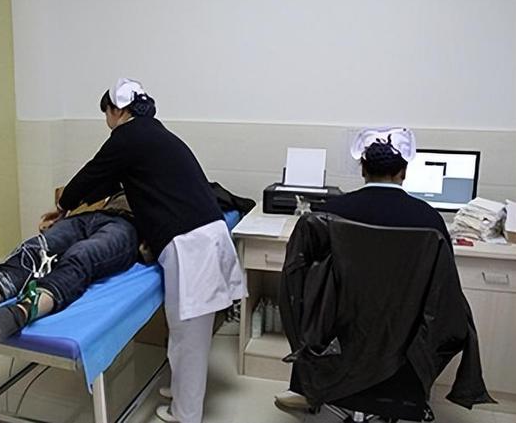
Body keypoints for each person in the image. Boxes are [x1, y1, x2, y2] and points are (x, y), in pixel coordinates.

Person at [57, 78, 245, 423]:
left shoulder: (126, 137)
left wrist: (63, 205)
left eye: (106, 113)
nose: (107, 121)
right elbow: (110, 179)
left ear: (117, 111)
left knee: (190, 336)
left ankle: (186, 414)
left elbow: (91, 174)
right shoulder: (154, 133)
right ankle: (181, 390)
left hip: (192, 245)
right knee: (184, 329)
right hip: (205, 235)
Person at [275, 126, 452, 410]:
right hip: (403, 350)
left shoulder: (328, 214)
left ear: (363, 170)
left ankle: (311, 388)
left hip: (339, 342)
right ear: (404, 172)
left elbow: (300, 283)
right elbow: (444, 293)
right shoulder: (431, 221)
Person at [0, 191, 139, 342]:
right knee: (37, 247)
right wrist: (62, 211)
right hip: (92, 216)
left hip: (130, 226)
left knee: (81, 256)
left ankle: (17, 314)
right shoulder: (121, 166)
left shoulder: (156, 178)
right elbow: (91, 180)